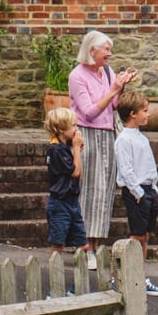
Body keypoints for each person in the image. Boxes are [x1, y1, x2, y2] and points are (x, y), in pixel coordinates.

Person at [70, 30, 138, 262]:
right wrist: (112, 91)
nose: (110, 53)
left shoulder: (107, 72)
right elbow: (89, 112)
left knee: (104, 192)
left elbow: (114, 105)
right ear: (92, 51)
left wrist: (121, 87)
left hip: (107, 135)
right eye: (106, 49)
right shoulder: (77, 76)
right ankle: (84, 246)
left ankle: (96, 244)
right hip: (86, 135)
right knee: (88, 191)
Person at [112, 93, 158, 297]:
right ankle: (116, 277)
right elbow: (126, 170)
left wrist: (154, 188)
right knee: (136, 237)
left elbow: (148, 166)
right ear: (133, 114)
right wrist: (138, 192)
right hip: (137, 192)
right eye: (144, 110)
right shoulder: (124, 140)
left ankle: (139, 276)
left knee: (145, 236)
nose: (148, 114)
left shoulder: (141, 137)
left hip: (148, 190)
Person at [42, 106, 87, 261]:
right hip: (60, 202)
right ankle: (55, 272)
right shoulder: (56, 150)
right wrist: (76, 148)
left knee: (82, 242)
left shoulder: (64, 147)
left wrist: (76, 148)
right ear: (61, 129)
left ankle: (80, 268)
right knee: (58, 243)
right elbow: (75, 172)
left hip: (72, 200)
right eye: (73, 126)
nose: (76, 129)